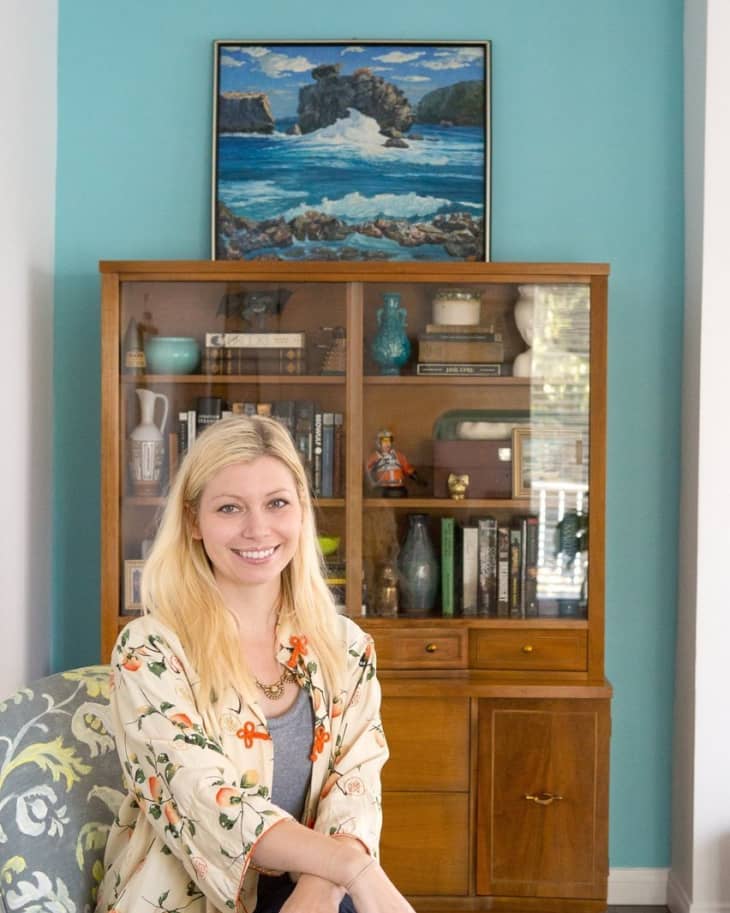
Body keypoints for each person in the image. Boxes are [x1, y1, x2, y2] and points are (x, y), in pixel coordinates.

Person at [96, 415, 416, 913]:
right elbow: (207, 800)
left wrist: (322, 885)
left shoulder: (346, 647)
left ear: (302, 512)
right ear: (194, 521)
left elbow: (355, 786)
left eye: (277, 503)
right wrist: (353, 869)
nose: (257, 529)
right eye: (229, 508)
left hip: (319, 891)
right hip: (186, 897)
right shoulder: (150, 651)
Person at [365, 429, 424, 498]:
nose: (387, 444)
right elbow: (367, 470)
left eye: (389, 441)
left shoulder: (399, 456)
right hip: (382, 488)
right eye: (384, 441)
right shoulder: (375, 457)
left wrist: (416, 477)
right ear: (378, 443)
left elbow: (407, 468)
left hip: (398, 488)